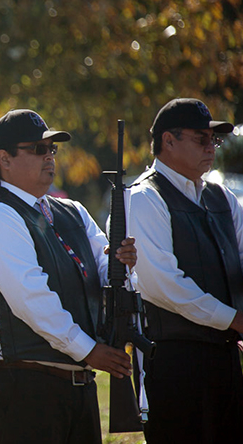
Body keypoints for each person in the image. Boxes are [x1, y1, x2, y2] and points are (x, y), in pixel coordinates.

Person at [0, 109, 137, 444]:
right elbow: (32, 301)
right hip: (24, 389)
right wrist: (89, 351)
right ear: (4, 159)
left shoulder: (72, 211)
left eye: (52, 150)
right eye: (38, 149)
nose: (49, 158)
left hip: (78, 388)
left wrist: (122, 264)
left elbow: (104, 271)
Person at [127, 98, 243, 444]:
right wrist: (234, 319)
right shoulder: (143, 197)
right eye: (200, 139)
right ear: (168, 141)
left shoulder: (223, 198)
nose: (211, 148)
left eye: (214, 140)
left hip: (223, 356)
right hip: (174, 359)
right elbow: (163, 284)